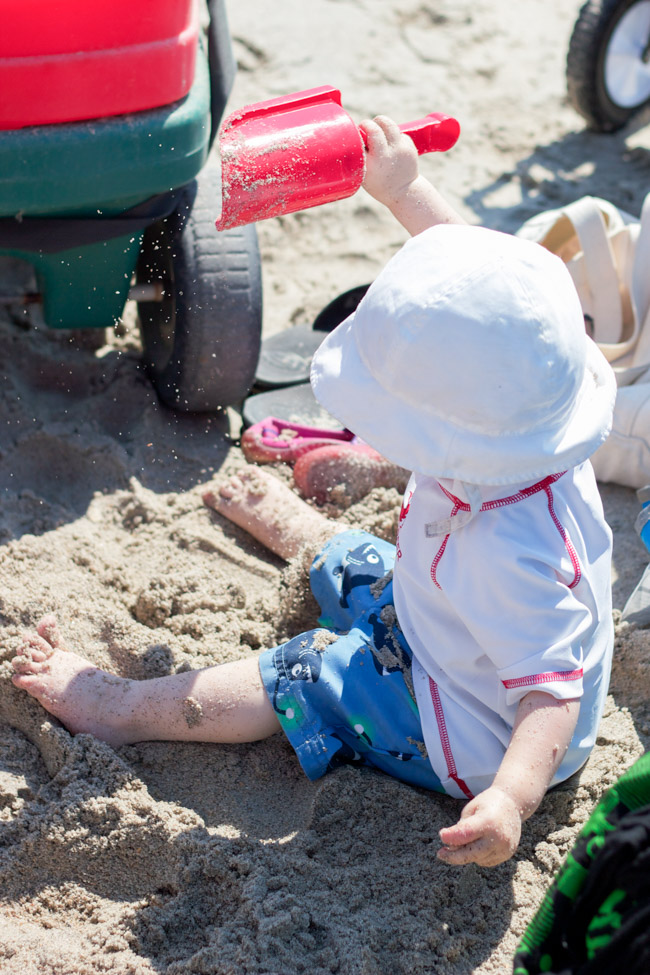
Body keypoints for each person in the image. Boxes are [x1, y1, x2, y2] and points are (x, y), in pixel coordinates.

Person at [10, 117, 617, 868]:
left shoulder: (509, 551)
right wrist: (406, 190)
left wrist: (510, 798)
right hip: (456, 629)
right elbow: (487, 294)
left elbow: (551, 694)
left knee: (308, 665)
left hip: (475, 732)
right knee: (363, 562)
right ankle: (310, 541)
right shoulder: (537, 401)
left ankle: (124, 709)